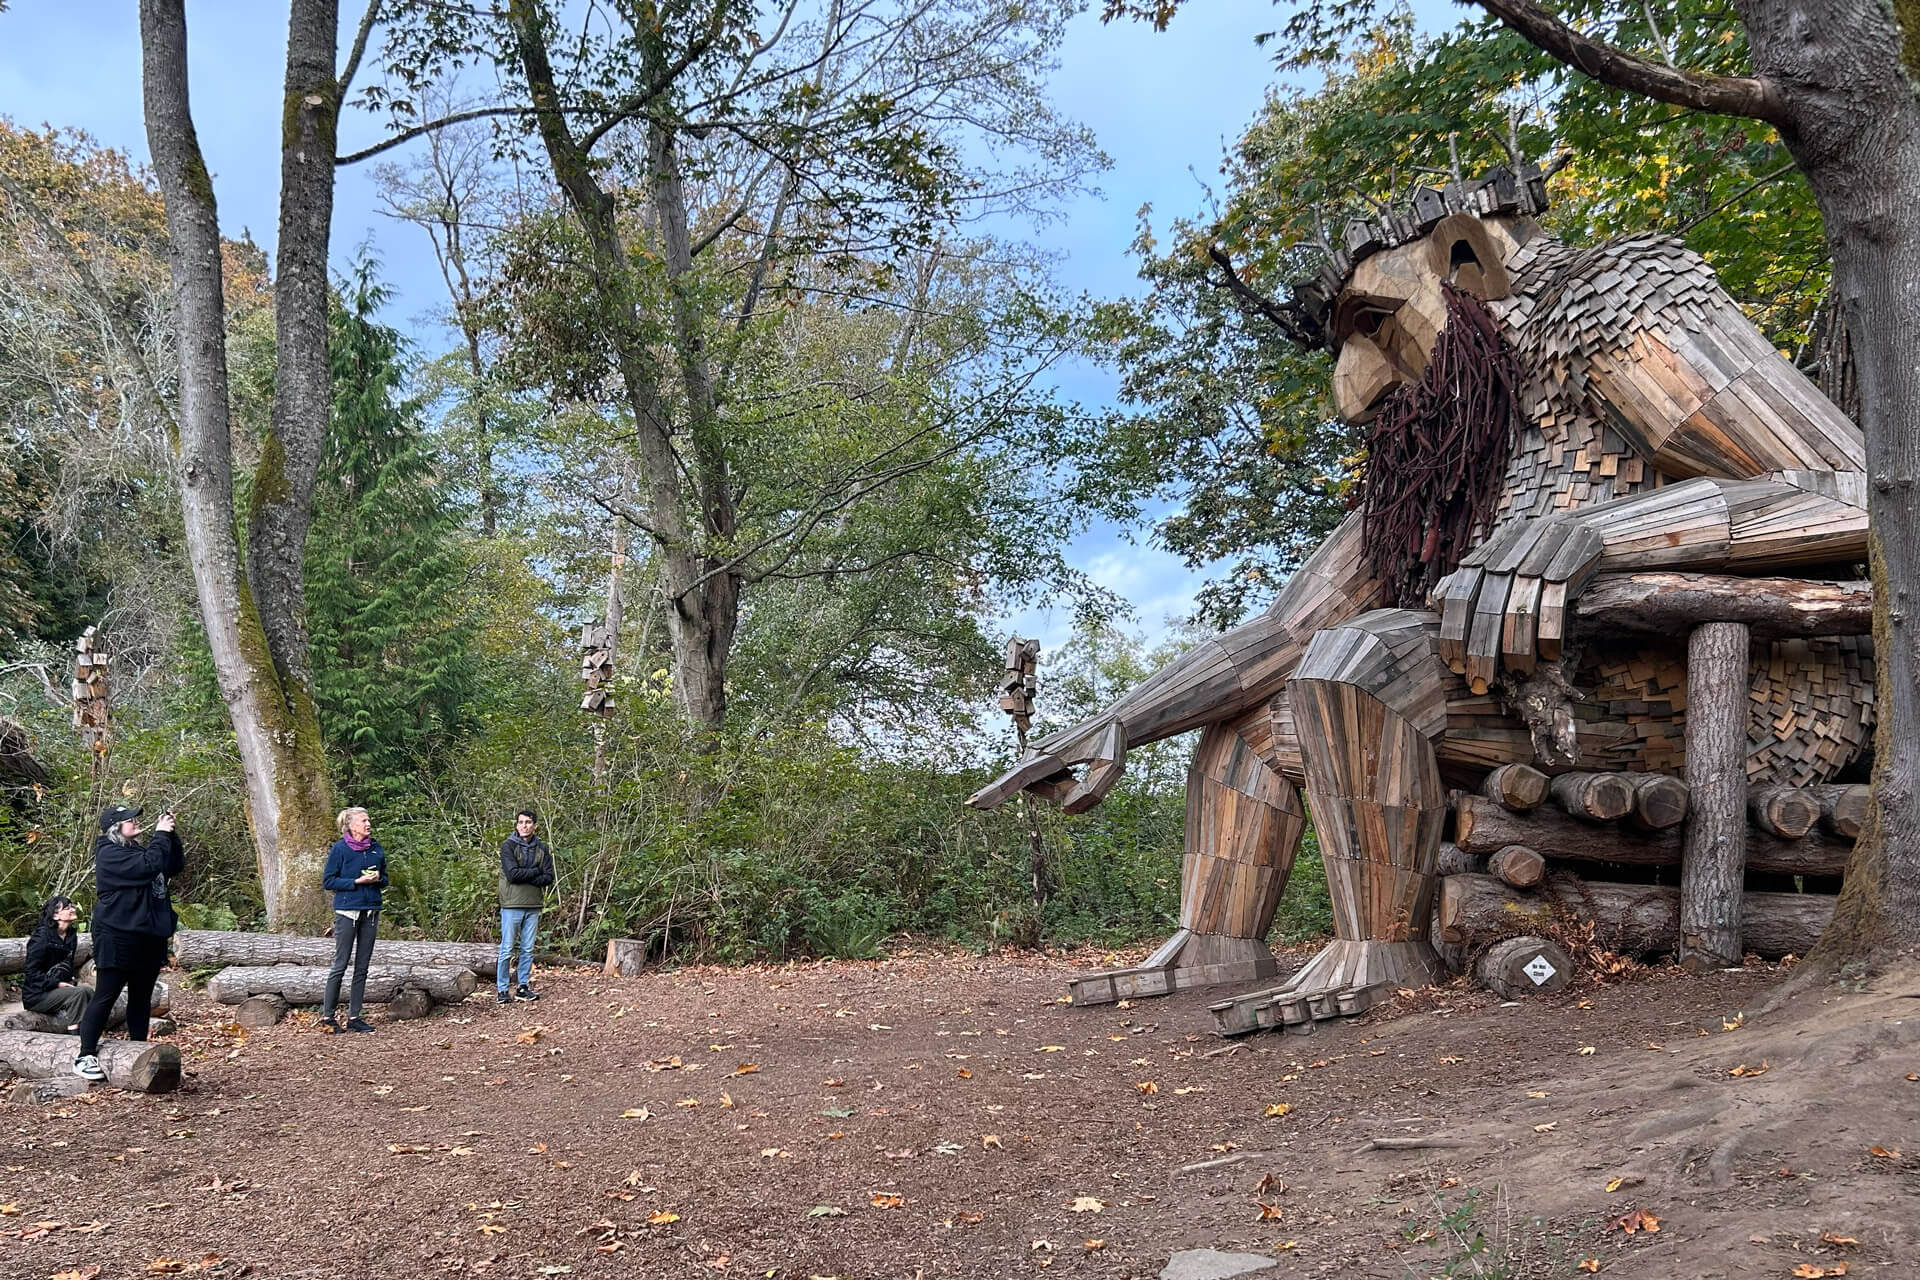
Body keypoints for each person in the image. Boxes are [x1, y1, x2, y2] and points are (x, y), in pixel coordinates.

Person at [73, 805, 183, 1082]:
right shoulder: (110, 854)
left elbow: (172, 865)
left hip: (148, 935)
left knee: (141, 997)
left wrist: (170, 834)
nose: (135, 823)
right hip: (117, 935)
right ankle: (85, 1055)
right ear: (115, 827)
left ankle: (138, 1052)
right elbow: (149, 866)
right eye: (128, 820)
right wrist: (160, 835)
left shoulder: (136, 850)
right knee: (106, 995)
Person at [320, 806, 388, 1033]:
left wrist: (378, 879)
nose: (368, 824)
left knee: (362, 967)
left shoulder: (376, 848)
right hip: (347, 911)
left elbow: (385, 878)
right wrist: (356, 882)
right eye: (363, 821)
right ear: (350, 825)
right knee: (340, 965)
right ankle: (328, 1017)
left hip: (371, 910)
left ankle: (355, 1017)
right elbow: (329, 881)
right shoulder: (340, 849)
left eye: (368, 820)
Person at [496, 808, 553, 1003]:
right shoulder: (508, 846)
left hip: (534, 904)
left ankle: (522, 987)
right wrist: (535, 871)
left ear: (535, 826)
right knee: (507, 949)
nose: (524, 826)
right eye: (520, 822)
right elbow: (512, 874)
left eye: (528, 822)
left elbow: (548, 877)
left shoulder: (542, 849)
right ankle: (502, 990)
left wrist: (527, 874)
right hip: (511, 904)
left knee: (527, 949)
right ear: (516, 824)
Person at [24, 895, 91, 1032]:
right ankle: (75, 1036)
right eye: (67, 908)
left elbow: (67, 965)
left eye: (72, 906)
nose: (72, 909)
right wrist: (56, 984)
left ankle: (88, 1031)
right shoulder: (41, 938)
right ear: (55, 916)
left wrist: (69, 982)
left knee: (89, 991)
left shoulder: (71, 935)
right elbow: (31, 973)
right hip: (37, 995)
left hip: (58, 990)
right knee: (80, 993)